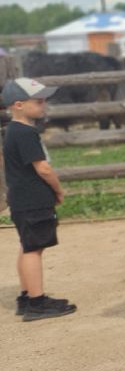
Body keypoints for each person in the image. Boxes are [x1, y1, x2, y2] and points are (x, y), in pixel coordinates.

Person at [3, 77, 76, 322]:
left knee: (27, 246)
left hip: (22, 199)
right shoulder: (25, 132)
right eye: (38, 100)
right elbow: (42, 168)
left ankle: (26, 296)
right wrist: (58, 190)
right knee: (34, 249)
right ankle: (37, 302)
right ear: (18, 105)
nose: (43, 104)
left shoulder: (13, 131)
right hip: (34, 199)